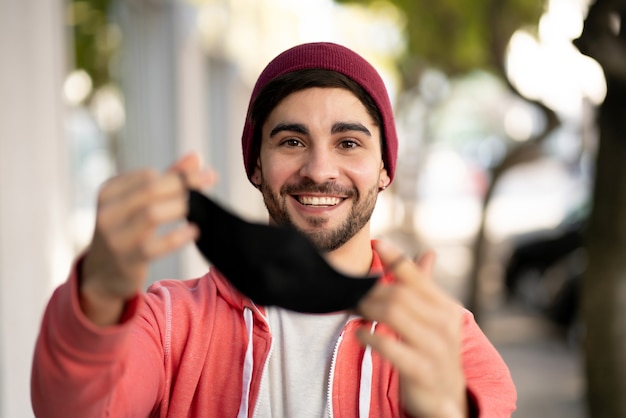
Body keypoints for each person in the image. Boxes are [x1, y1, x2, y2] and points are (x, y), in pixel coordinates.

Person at [31, 42, 516, 418]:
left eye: (348, 142)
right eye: (291, 141)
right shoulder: (170, 324)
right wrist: (97, 296)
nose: (319, 169)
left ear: (385, 169)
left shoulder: (439, 334)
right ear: (256, 165)